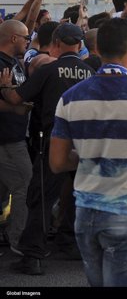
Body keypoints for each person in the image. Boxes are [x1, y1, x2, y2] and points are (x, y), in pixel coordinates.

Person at [48, 18, 127, 287]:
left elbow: (57, 163)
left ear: (96, 49)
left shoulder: (70, 97)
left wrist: (90, 154)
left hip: (86, 211)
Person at [2, 23, 94, 274]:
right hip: (85, 143)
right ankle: (70, 241)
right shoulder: (90, 71)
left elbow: (15, 99)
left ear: (56, 43)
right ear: (79, 45)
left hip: (54, 141)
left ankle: (32, 256)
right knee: (77, 194)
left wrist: (5, 86)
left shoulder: (49, 70)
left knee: (40, 196)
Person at [0, 20, 33, 258]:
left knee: (5, 190)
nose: (28, 41)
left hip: (16, 136)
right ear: (13, 39)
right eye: (25, 37)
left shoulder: (15, 63)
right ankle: (19, 239)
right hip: (7, 139)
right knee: (25, 183)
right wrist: (17, 108)